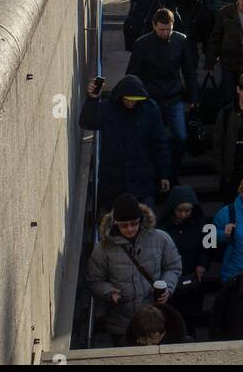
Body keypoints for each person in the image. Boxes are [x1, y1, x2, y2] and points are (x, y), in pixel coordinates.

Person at [85, 193, 182, 345]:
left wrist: (167, 287)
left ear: (141, 220)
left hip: (155, 321)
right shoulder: (103, 249)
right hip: (122, 324)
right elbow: (94, 280)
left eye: (134, 223)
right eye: (124, 225)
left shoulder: (161, 238)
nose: (130, 229)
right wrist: (109, 292)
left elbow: (173, 267)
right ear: (116, 223)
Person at [127, 9, 198, 181]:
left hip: (173, 96)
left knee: (180, 137)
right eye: (162, 30)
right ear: (154, 26)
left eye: (168, 29)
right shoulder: (142, 44)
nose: (165, 33)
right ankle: (157, 172)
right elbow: (132, 74)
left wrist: (194, 96)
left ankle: (171, 172)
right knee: (153, 138)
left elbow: (189, 71)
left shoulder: (181, 41)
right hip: (151, 97)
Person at [79, 75, 170, 207]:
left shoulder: (150, 110)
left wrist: (164, 174)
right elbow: (87, 123)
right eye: (127, 100)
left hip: (141, 181)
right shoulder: (108, 108)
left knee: (144, 222)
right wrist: (93, 99)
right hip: (114, 182)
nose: (131, 104)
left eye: (134, 101)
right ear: (120, 96)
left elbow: (159, 144)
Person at [158, 184, 212, 326]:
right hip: (170, 279)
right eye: (179, 210)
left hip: (193, 277)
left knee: (191, 318)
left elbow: (208, 248)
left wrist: (202, 265)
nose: (183, 214)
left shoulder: (203, 224)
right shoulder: (162, 227)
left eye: (187, 210)